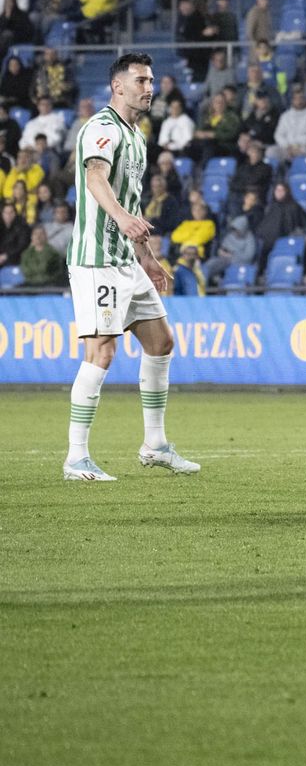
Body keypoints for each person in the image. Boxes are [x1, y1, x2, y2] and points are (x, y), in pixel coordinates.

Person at [62, 52, 200, 482]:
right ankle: (76, 457)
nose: (149, 87)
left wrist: (146, 255)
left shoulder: (136, 137)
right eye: (141, 80)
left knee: (161, 343)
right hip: (97, 259)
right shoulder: (102, 128)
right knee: (102, 349)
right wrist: (121, 218)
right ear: (117, 86)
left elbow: (133, 202)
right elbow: (95, 178)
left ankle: (155, 445)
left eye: (152, 80)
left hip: (126, 258)